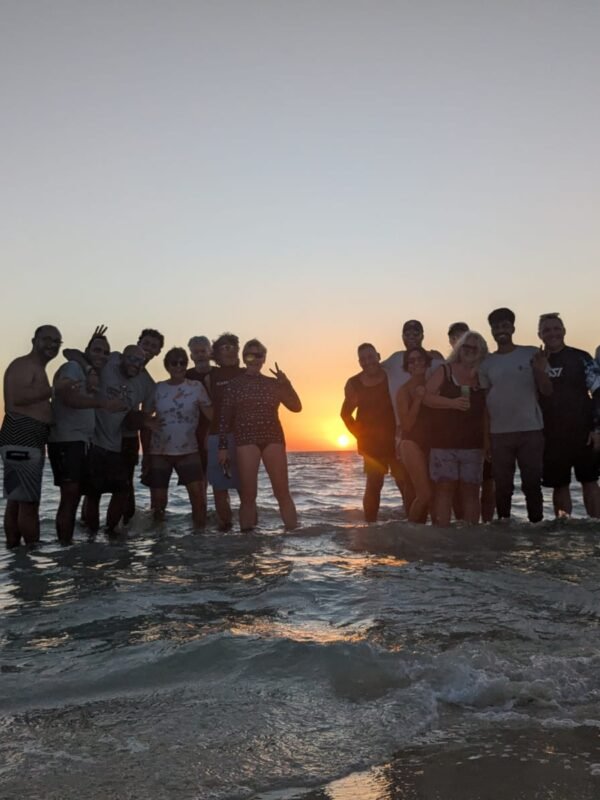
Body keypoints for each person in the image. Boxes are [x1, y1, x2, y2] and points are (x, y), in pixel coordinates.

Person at [48, 331, 125, 544]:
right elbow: (68, 397)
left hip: (82, 442)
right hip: (66, 441)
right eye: (97, 350)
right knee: (70, 497)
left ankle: (73, 547)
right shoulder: (74, 367)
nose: (102, 355)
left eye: (106, 352)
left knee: (76, 496)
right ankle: (65, 547)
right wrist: (103, 404)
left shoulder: (89, 373)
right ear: (87, 352)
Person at [218, 339, 301, 531]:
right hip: (246, 440)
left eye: (259, 355)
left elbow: (296, 407)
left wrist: (286, 383)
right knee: (248, 496)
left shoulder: (274, 384)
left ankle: (294, 537)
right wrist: (222, 447)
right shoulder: (235, 385)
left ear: (264, 359)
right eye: (250, 355)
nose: (255, 359)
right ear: (244, 358)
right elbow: (224, 418)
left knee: (282, 493)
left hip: (273, 439)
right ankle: (247, 540)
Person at [479, 308, 552, 523]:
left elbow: (547, 391)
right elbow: (484, 404)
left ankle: (537, 529)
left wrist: (539, 370)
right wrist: (486, 439)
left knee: (532, 485)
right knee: (502, 486)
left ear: (513, 328)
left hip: (531, 430)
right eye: (496, 327)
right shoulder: (486, 362)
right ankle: (504, 529)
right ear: (491, 331)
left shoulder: (531, 353)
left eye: (505, 326)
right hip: (499, 433)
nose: (501, 331)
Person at [0, 325, 62, 547]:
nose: (52, 345)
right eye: (47, 339)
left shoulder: (35, 367)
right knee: (28, 503)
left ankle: (15, 552)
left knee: (17, 499)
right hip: (22, 435)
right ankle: (32, 553)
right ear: (34, 340)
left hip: (24, 438)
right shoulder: (24, 365)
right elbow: (17, 398)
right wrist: (54, 389)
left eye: (56, 341)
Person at [84, 345, 153, 535]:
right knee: (93, 494)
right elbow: (71, 353)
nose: (135, 364)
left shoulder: (147, 384)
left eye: (140, 361)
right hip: (92, 440)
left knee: (122, 490)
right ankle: (90, 538)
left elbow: (143, 416)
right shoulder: (109, 362)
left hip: (116, 443)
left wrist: (145, 422)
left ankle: (110, 532)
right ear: (122, 357)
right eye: (131, 359)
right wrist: (90, 370)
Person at [537, 313, 600, 518]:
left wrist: (597, 429)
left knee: (590, 481)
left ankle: (596, 526)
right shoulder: (536, 362)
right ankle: (564, 528)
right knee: (559, 485)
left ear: (564, 331)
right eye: (547, 330)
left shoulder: (581, 358)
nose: (552, 333)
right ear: (540, 335)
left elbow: (598, 393)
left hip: (583, 432)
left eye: (556, 328)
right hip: (551, 435)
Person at [424, 331, 489, 526]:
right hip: (443, 442)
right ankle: (442, 534)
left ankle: (471, 535)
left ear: (481, 351)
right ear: (459, 349)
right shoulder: (445, 370)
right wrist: (451, 403)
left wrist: (487, 442)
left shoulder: (483, 375)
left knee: (471, 490)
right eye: (465, 347)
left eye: (474, 348)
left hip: (473, 443)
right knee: (444, 489)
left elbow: (487, 412)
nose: (469, 351)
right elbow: (426, 397)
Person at [145, 347, 212, 528]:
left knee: (198, 499)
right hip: (159, 451)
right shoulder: (158, 388)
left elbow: (211, 415)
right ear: (167, 366)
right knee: (158, 503)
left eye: (182, 362)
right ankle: (159, 539)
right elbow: (145, 415)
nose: (178, 366)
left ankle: (199, 538)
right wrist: (147, 423)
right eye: (174, 363)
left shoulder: (196, 387)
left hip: (189, 450)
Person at [340, 343, 406, 522]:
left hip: (396, 439)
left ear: (378, 356)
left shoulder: (390, 377)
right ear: (359, 362)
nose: (368, 362)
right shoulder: (354, 384)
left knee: (404, 482)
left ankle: (413, 525)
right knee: (374, 484)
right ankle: (370, 526)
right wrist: (359, 435)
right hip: (371, 443)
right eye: (363, 359)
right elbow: (345, 414)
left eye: (371, 357)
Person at [119, 328, 164, 523]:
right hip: (100, 434)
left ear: (158, 352)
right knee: (92, 488)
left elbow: (146, 421)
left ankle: (124, 532)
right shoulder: (116, 361)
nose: (148, 349)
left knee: (126, 486)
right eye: (146, 343)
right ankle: (89, 532)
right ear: (138, 343)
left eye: (153, 346)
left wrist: (147, 455)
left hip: (128, 437)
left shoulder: (149, 384)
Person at [204, 333, 245, 530]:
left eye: (234, 347)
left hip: (244, 437)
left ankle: (250, 533)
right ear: (217, 354)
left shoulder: (246, 373)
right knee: (220, 488)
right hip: (217, 436)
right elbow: (210, 408)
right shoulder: (210, 377)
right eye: (225, 347)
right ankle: (225, 529)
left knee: (245, 487)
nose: (231, 351)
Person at [383, 319, 444, 432]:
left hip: (434, 425)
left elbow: (449, 372)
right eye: (407, 334)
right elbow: (373, 369)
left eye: (416, 334)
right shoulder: (395, 358)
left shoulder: (434, 358)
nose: (411, 337)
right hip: (406, 428)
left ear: (422, 336)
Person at [396, 347, 433, 523]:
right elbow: (407, 425)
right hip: (411, 443)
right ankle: (410, 532)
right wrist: (418, 399)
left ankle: (430, 534)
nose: (416, 363)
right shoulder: (404, 391)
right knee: (424, 495)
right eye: (411, 361)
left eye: (420, 359)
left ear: (426, 362)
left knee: (436, 496)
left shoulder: (434, 385)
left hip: (434, 443)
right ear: (407, 367)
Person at [185, 335, 213, 478]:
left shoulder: (218, 374)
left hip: (214, 431)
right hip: (191, 434)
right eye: (196, 352)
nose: (200, 355)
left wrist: (211, 431)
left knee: (220, 480)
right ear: (191, 356)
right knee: (197, 479)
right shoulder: (185, 376)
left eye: (203, 351)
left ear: (210, 352)